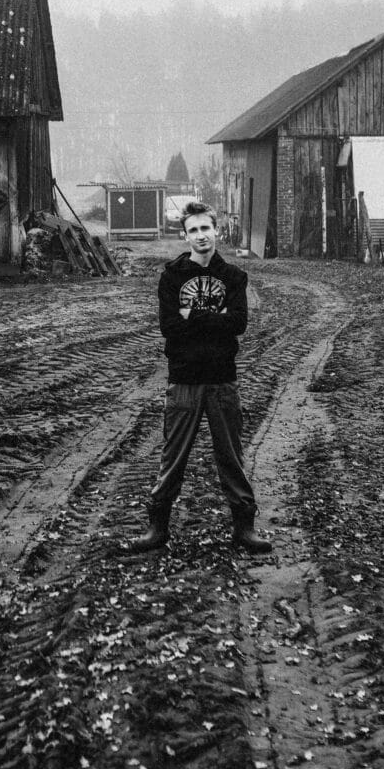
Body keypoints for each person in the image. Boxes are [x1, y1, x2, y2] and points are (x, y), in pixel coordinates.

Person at [127, 201, 272, 554]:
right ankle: (157, 527)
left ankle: (244, 527)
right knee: (173, 456)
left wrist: (192, 315)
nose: (201, 235)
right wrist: (214, 319)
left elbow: (237, 324)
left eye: (205, 228)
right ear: (185, 236)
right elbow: (169, 327)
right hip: (184, 379)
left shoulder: (234, 277)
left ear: (216, 230)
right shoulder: (172, 277)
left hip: (222, 378)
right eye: (193, 230)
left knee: (231, 456)